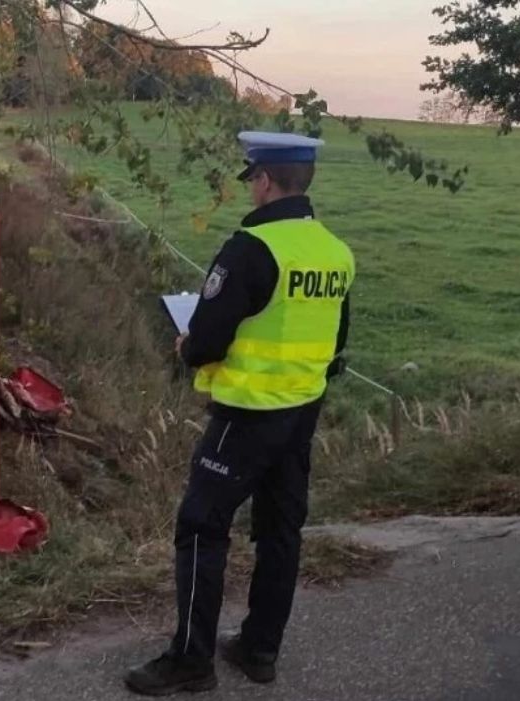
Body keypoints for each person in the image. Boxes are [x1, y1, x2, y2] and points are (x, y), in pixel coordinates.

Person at [125, 131, 355, 696]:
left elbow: (205, 343)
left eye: (252, 178)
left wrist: (187, 347)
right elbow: (336, 338)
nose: (252, 187)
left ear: (265, 181)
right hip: (301, 414)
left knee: (201, 527)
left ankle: (190, 660)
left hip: (246, 417)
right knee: (281, 532)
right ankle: (259, 649)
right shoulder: (334, 251)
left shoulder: (251, 250)